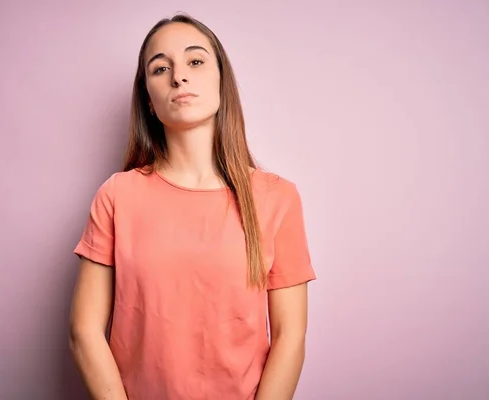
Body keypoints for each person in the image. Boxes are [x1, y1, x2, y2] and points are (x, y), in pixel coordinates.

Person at [68, 13, 316, 400]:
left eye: (195, 61)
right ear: (149, 101)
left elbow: (290, 336)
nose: (178, 77)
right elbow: (84, 331)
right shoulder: (117, 195)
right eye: (160, 68)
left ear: (222, 82)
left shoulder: (277, 198)